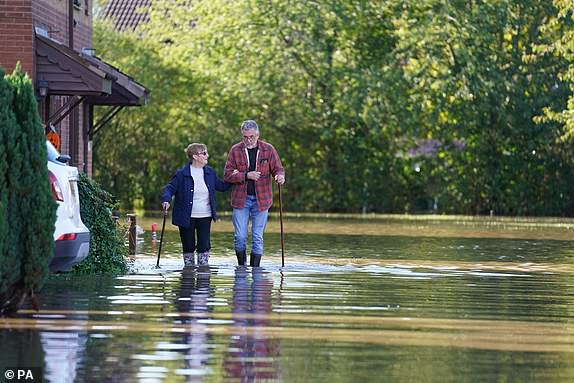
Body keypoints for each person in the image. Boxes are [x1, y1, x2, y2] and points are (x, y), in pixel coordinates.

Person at [224, 120, 285, 267]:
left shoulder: (268, 149)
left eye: (251, 136)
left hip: (262, 200)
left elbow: (278, 168)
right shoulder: (235, 150)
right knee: (240, 237)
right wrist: (246, 175)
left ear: (257, 134)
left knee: (257, 237)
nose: (248, 140)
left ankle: (256, 272)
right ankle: (241, 268)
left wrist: (280, 176)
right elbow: (227, 175)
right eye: (245, 137)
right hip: (241, 200)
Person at [161, 143, 231, 267]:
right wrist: (166, 199)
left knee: (204, 245)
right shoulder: (182, 173)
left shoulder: (210, 172)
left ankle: (203, 277)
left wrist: (237, 178)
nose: (207, 155)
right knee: (188, 245)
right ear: (195, 156)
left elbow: (222, 186)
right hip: (186, 216)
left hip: (205, 215)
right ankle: (188, 276)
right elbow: (170, 188)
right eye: (204, 153)